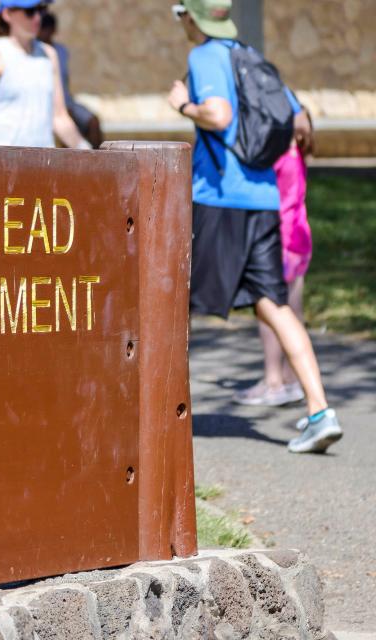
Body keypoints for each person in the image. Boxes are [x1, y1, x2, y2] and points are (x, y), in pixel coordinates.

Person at [168, 0, 340, 453]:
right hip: (264, 198)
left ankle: (153, 416)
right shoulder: (252, 55)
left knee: (172, 301)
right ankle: (320, 411)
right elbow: (297, 120)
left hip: (218, 199)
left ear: (192, 16)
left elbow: (220, 115)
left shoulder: (204, 57)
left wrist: (184, 104)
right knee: (273, 303)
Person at [233, 115, 316, 407]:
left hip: (281, 240)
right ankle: (292, 378)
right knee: (293, 309)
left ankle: (273, 380)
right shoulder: (300, 151)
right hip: (300, 238)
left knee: (269, 310)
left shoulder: (280, 157)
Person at [0, 0, 89, 149]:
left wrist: (89, 153)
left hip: (41, 162)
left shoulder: (49, 55)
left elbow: (59, 118)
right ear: (7, 14)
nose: (37, 17)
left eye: (41, 10)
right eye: (29, 11)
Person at [37, 10, 103, 149]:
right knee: (66, 121)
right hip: (48, 104)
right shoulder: (35, 53)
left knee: (93, 121)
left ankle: (100, 159)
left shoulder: (60, 51)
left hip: (66, 100)